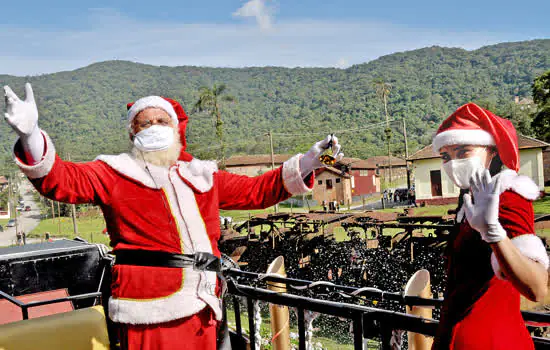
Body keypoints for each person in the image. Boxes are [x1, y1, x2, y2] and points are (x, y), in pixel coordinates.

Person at [3, 83, 343, 350]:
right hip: (150, 310)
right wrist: (31, 137)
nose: (153, 126)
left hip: (205, 303)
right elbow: (61, 180)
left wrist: (308, 164)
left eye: (161, 120)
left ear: (176, 128)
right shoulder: (113, 172)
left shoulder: (202, 176)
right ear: (132, 133)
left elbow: (258, 190)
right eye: (144, 122)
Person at [432, 103, 549, 350]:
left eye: (463, 152)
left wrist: (493, 232)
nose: (453, 163)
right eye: (445, 156)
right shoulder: (470, 201)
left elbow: (537, 288)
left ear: (492, 152)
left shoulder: (507, 196)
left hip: (492, 340)